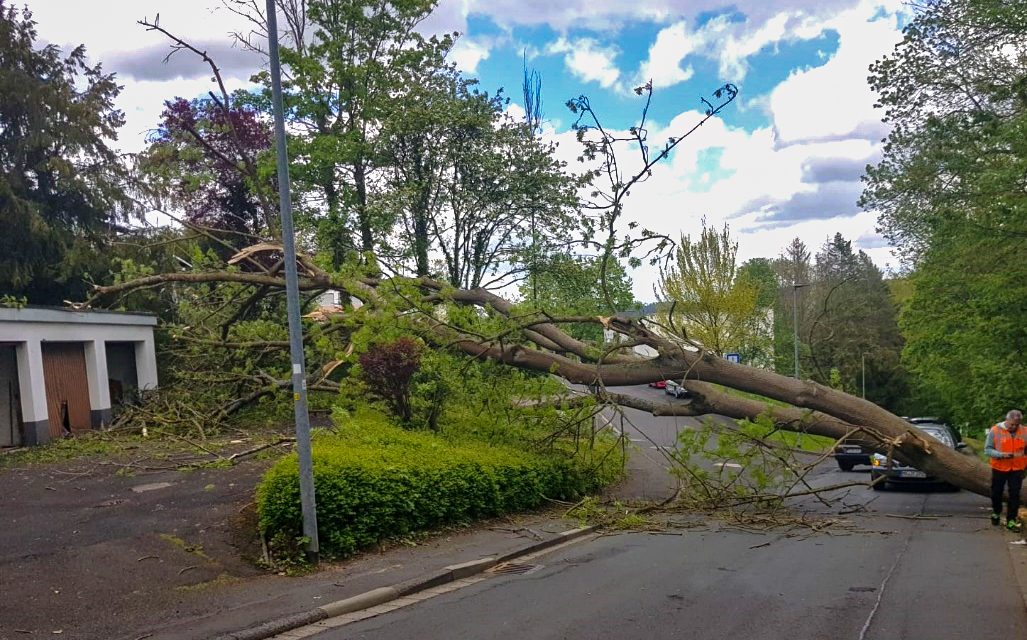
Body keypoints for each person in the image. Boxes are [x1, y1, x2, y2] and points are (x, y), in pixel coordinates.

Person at [985, 410, 1027, 532]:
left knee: (1014, 494)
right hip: (999, 467)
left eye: (1017, 424)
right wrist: (1001, 454)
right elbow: (987, 450)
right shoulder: (995, 431)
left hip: (1017, 468)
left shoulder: (1025, 431)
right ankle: (996, 512)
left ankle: (1011, 520)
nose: (1014, 427)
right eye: (1012, 424)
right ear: (1006, 420)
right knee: (996, 492)